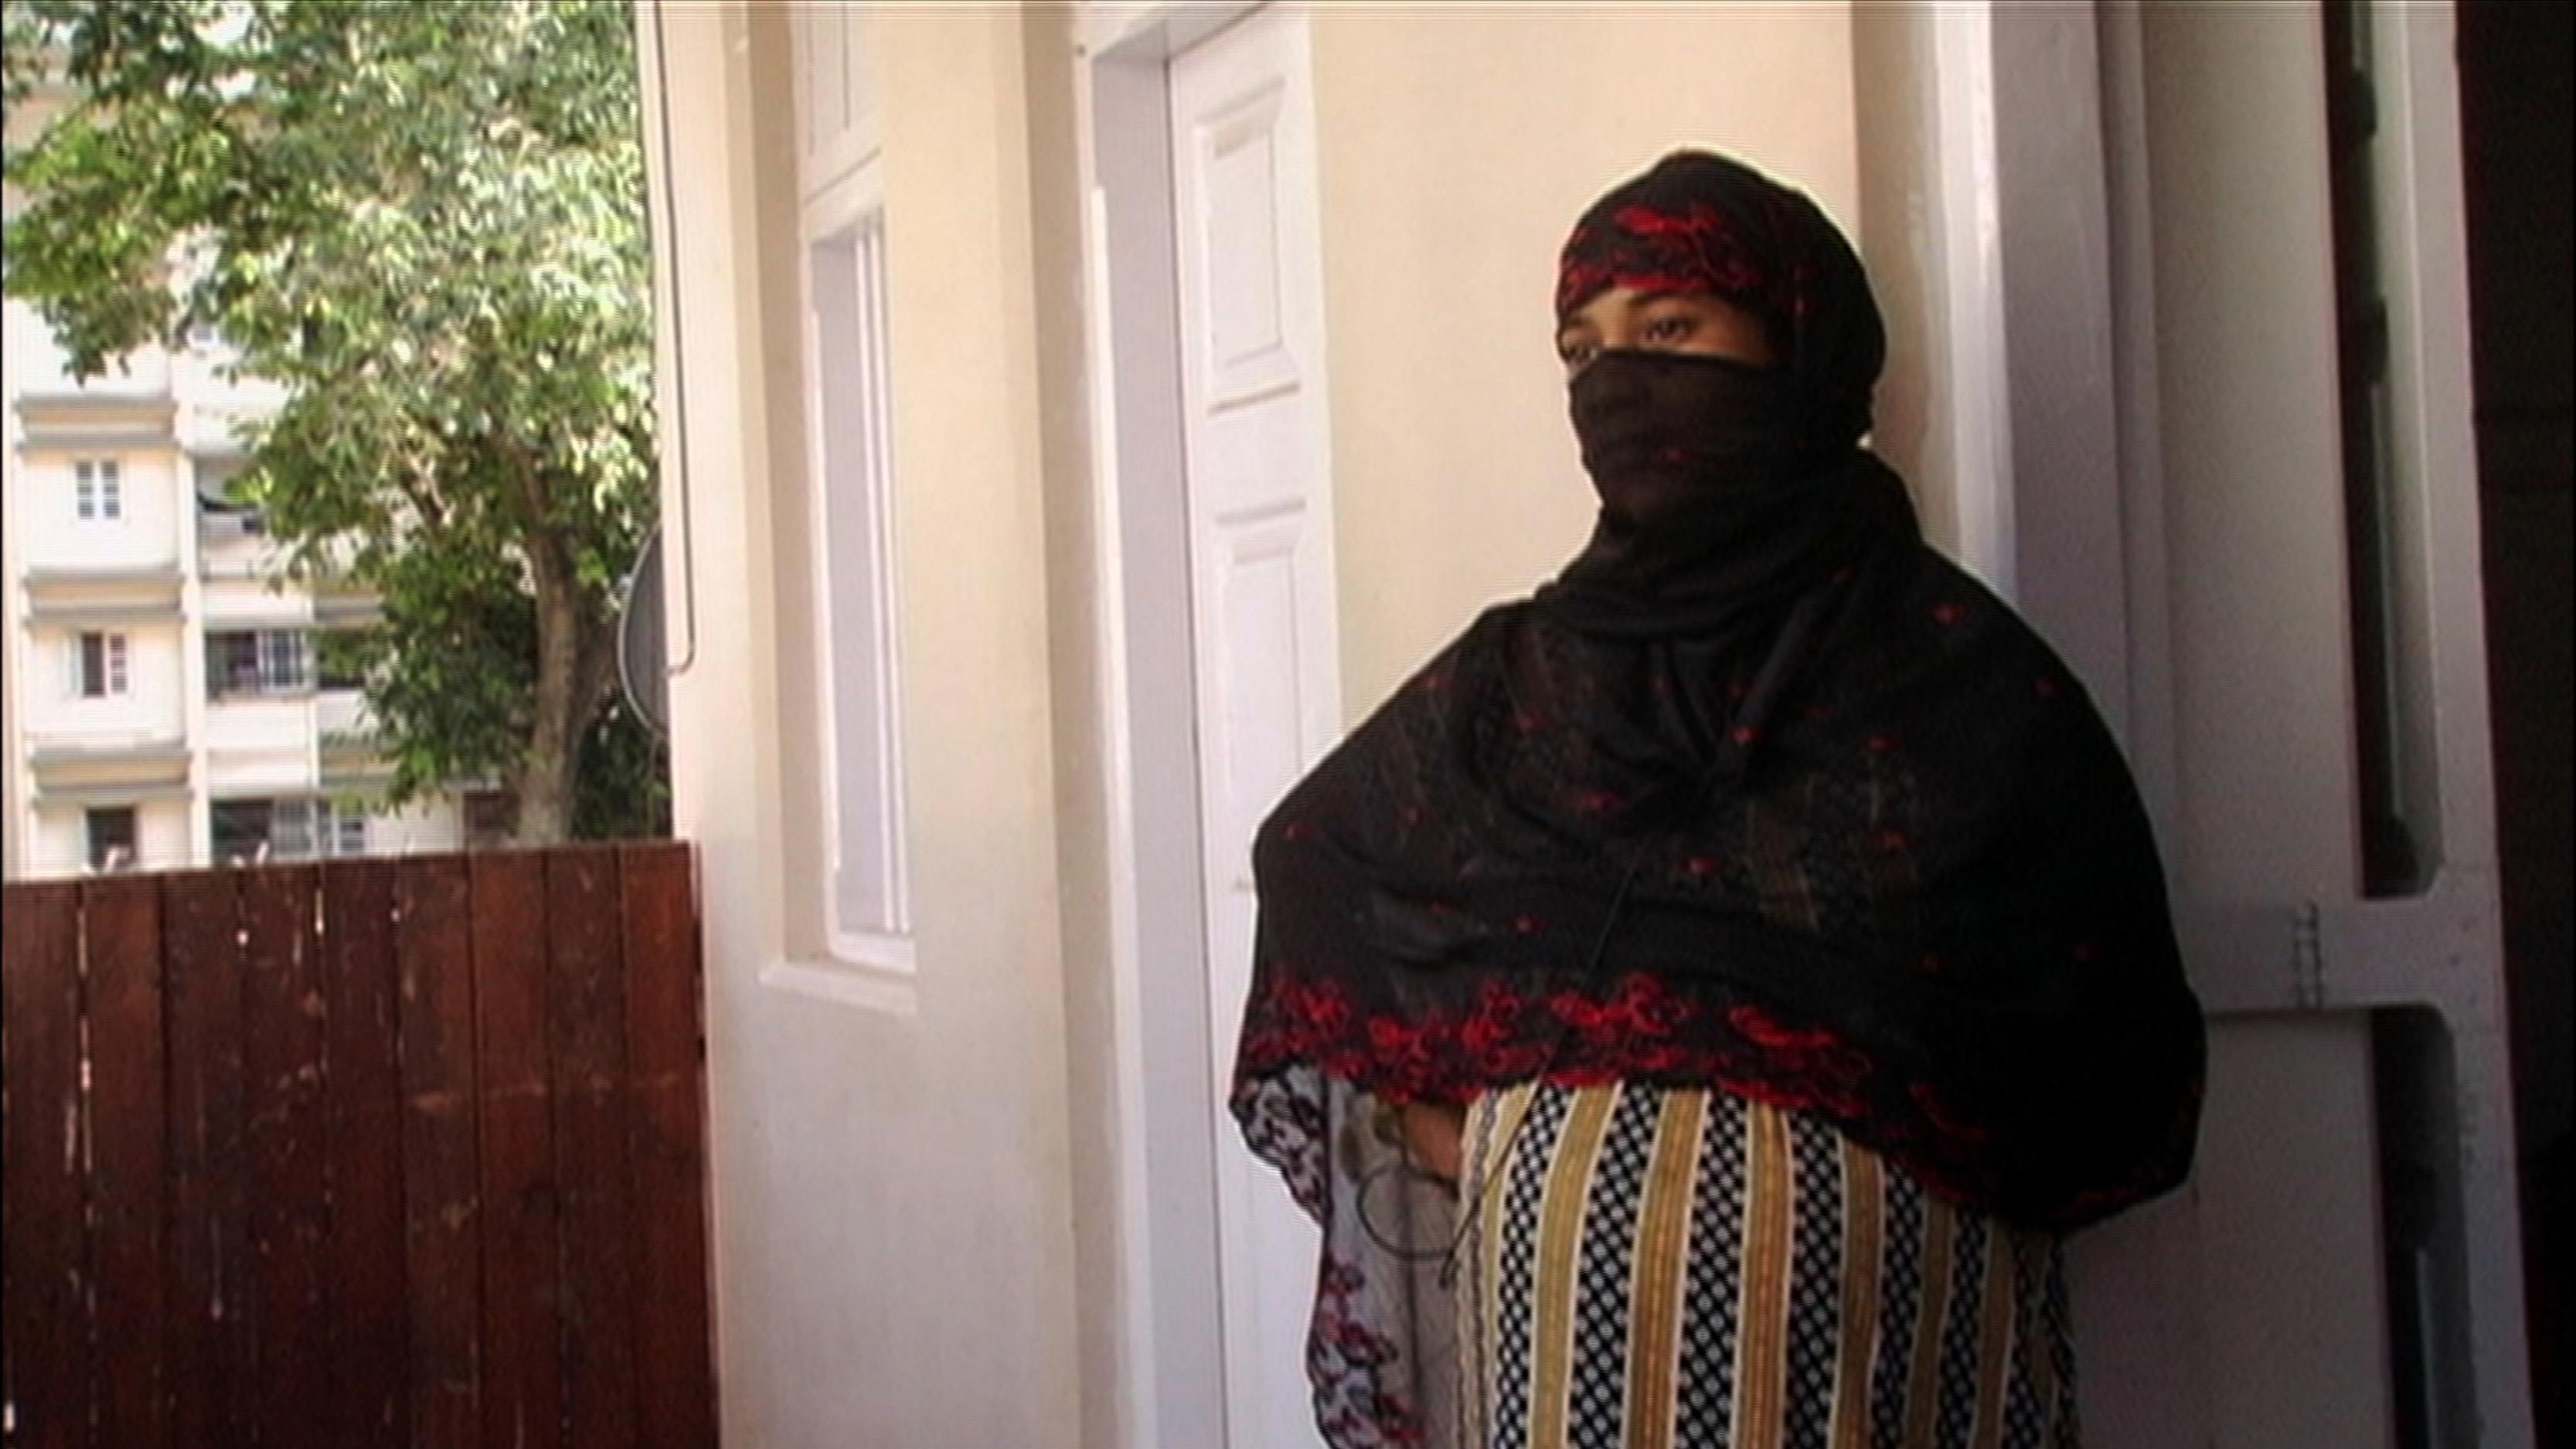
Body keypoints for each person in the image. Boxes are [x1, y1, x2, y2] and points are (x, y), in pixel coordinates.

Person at [1230, 151, 2206, 1449]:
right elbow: (1310, 860)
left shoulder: (1956, 675)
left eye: (1670, 329)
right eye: (1584, 352)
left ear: (1793, 341)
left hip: (1879, 1360)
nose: (1618, 387)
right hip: (1562, 1342)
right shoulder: (1522, 677)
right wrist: (1472, 1130)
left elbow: (2103, 1030)